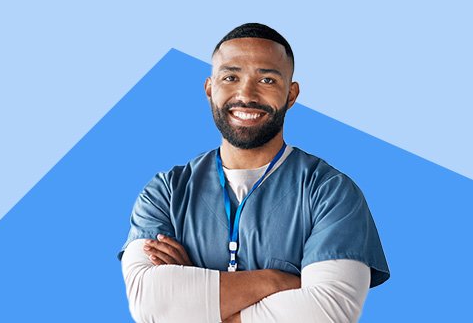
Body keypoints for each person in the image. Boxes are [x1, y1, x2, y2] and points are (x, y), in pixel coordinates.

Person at [118, 23, 390, 323]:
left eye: (267, 79)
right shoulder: (165, 192)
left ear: (291, 94)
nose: (246, 94)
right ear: (210, 88)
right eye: (231, 77)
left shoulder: (331, 193)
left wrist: (196, 295)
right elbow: (150, 304)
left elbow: (326, 314)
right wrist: (276, 281)